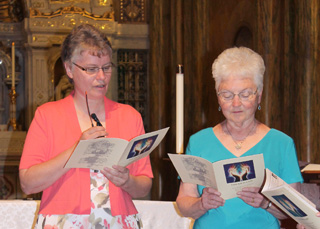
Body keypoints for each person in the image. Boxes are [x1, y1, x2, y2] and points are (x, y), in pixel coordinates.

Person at [19, 24, 153, 228]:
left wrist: (127, 181)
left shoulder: (129, 116)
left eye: (106, 67)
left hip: (119, 221)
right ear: (69, 69)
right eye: (91, 69)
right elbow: (27, 183)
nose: (101, 77)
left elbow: (145, 185)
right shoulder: (47, 115)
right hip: (64, 221)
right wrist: (77, 150)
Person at [176, 46, 303, 229]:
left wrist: (265, 203)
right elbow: (184, 202)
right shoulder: (199, 142)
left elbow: (295, 210)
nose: (236, 103)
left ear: (259, 96)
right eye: (227, 95)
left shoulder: (281, 144)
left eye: (245, 94)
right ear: (218, 97)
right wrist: (201, 204)